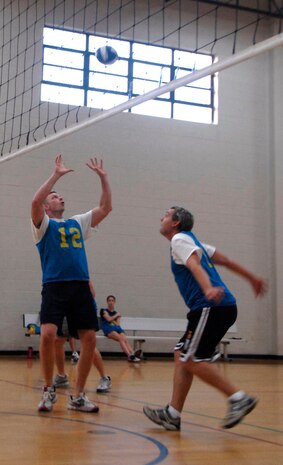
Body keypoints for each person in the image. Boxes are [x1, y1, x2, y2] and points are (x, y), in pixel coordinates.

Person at [143, 206, 267, 431]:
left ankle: (239, 398)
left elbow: (193, 264)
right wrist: (252, 278)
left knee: (190, 359)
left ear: (175, 222)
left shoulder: (179, 240)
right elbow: (226, 260)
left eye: (166, 214)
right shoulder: (194, 242)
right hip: (217, 308)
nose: (161, 217)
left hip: (210, 307)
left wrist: (208, 288)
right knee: (182, 353)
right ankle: (172, 413)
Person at [31, 154, 112, 412]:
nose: (60, 198)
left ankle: (77, 395)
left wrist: (104, 179)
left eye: (60, 195)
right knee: (48, 335)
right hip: (55, 285)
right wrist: (56, 174)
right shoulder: (42, 226)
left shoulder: (78, 222)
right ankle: (48, 389)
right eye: (55, 197)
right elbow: (34, 200)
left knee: (89, 338)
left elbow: (106, 208)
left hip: (79, 286)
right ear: (46, 207)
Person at [54, 281, 112, 393]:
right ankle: (61, 377)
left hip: (82, 309)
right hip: (66, 309)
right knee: (57, 340)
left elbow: (92, 294)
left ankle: (104, 378)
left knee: (88, 344)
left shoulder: (80, 273)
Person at [100, 295, 141, 362]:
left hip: (116, 328)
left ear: (115, 302)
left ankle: (133, 354)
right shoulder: (104, 311)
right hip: (108, 328)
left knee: (125, 339)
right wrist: (116, 316)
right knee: (121, 339)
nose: (111, 302)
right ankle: (129, 355)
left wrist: (112, 319)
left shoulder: (116, 313)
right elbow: (108, 319)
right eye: (109, 300)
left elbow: (117, 324)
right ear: (107, 302)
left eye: (112, 300)